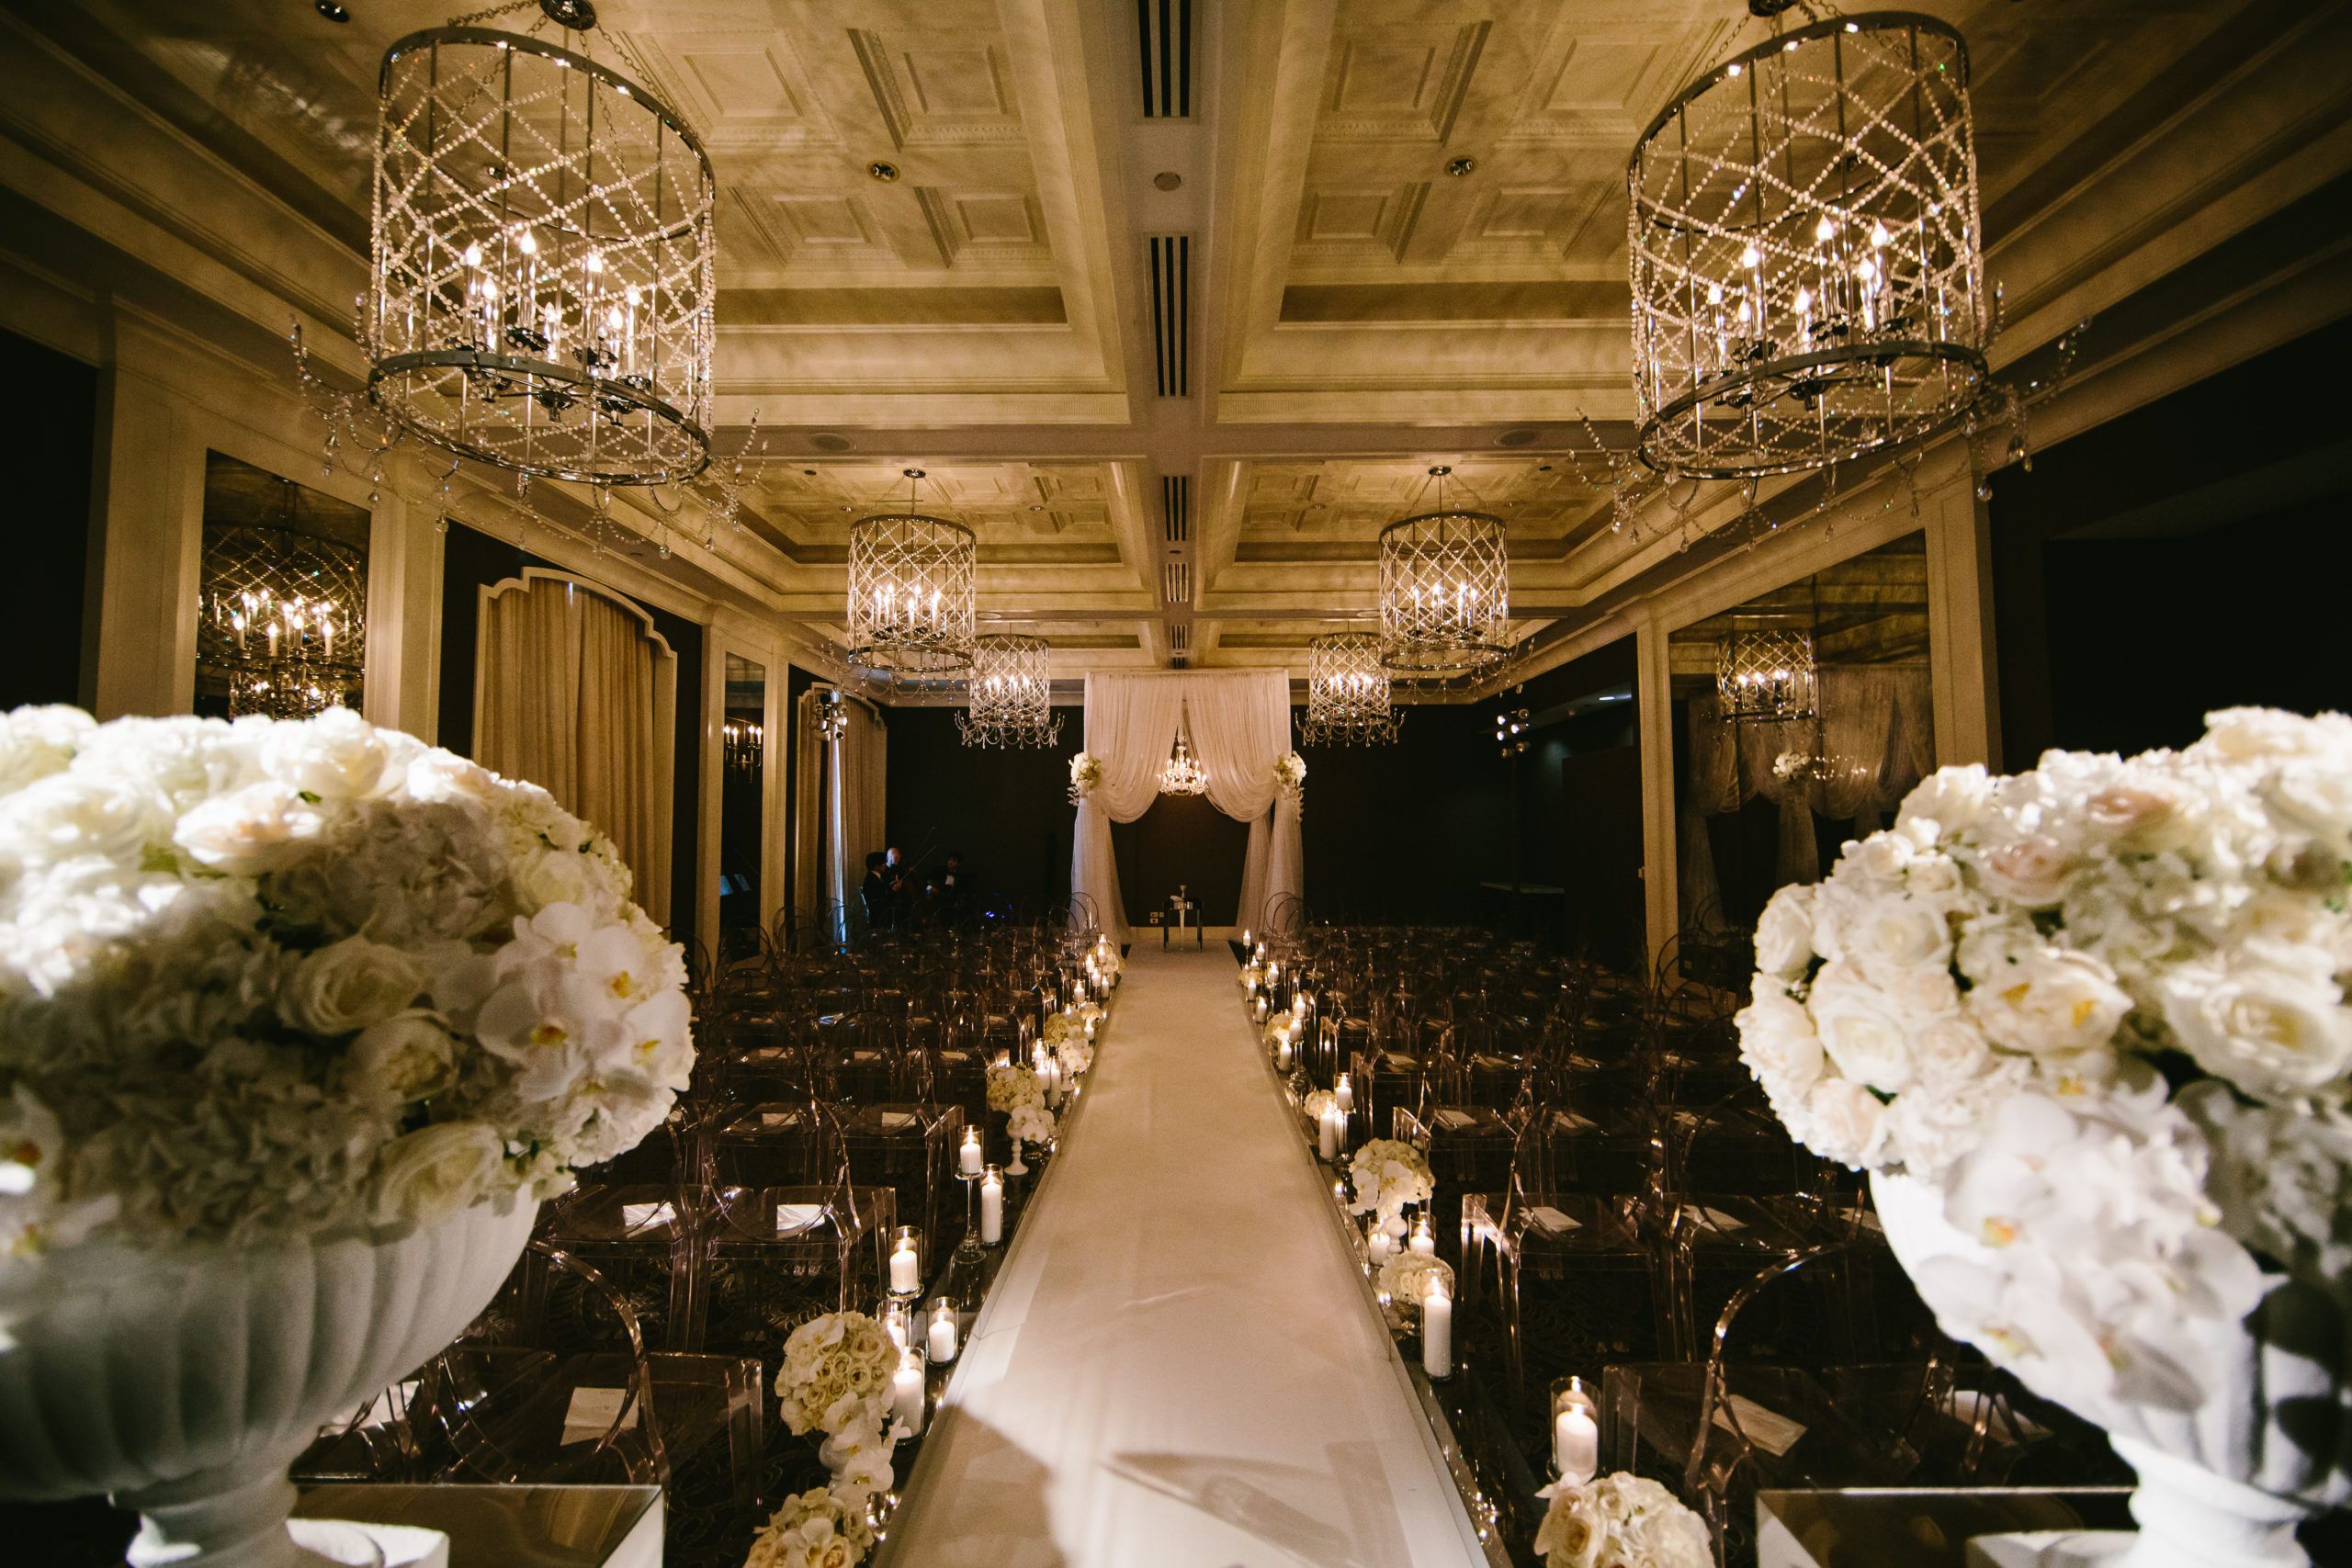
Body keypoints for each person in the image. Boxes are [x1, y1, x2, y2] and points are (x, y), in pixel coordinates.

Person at [859, 850, 892, 931]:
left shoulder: (876, 877)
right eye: (884, 862)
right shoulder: (871, 879)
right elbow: (880, 896)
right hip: (878, 911)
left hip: (879, 908)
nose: (886, 865)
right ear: (876, 866)